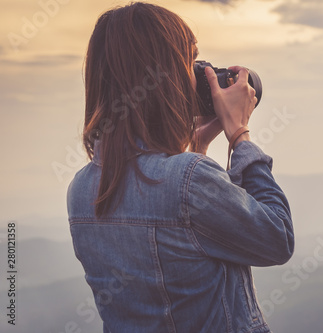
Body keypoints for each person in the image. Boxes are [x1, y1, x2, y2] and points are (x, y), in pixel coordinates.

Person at [67, 2, 294, 332]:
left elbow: (169, 273)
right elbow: (278, 238)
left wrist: (195, 147)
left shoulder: (82, 190)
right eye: (189, 60)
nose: (201, 72)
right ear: (163, 76)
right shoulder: (188, 182)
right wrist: (238, 133)